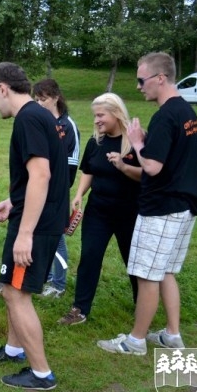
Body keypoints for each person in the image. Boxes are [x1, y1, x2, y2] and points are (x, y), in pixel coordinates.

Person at [97, 52, 197, 355]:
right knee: (166, 270)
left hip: (162, 208)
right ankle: (172, 334)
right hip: (183, 205)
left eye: (142, 80)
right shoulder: (187, 113)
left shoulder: (166, 115)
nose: (139, 86)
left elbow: (153, 167)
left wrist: (138, 140)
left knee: (146, 274)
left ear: (160, 78)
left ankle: (136, 341)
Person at [0, 62, 68, 390]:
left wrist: (25, 232)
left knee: (16, 293)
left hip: (37, 224)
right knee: (17, 289)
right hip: (41, 215)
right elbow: (44, 174)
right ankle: (15, 350)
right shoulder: (43, 116)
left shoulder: (28, 119)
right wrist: (13, 202)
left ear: (3, 88)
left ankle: (41, 374)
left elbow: (42, 175)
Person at [57, 93, 141, 326]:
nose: (96, 120)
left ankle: (143, 305)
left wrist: (123, 166)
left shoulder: (135, 142)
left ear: (116, 113)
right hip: (98, 211)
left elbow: (147, 175)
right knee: (90, 257)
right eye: (95, 115)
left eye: (101, 115)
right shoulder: (97, 142)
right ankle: (80, 309)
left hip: (129, 212)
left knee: (133, 261)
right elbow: (89, 170)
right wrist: (78, 195)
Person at [32, 79, 80, 298]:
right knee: (42, 235)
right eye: (36, 99)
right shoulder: (42, 122)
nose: (39, 103)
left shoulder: (68, 125)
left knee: (57, 238)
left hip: (57, 193)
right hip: (40, 190)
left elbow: (71, 165)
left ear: (56, 98)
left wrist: (57, 191)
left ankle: (59, 285)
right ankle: (48, 277)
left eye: (43, 99)